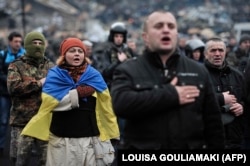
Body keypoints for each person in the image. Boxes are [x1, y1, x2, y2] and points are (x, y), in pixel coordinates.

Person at [110, 10, 225, 149]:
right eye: (158, 26)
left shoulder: (198, 71)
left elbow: (213, 124)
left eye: (171, 26)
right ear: (145, 37)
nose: (165, 30)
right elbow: (121, 105)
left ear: (176, 34)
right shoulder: (128, 70)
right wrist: (170, 95)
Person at [21, 37, 120, 166]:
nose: (77, 53)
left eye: (80, 51)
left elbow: (106, 107)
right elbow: (51, 103)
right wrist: (77, 93)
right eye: (72, 51)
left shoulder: (94, 76)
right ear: (64, 55)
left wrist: (112, 132)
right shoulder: (55, 75)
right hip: (61, 140)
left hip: (89, 138)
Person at [7, 31, 54, 165]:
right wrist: (39, 83)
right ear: (27, 45)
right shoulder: (16, 65)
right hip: (22, 122)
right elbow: (13, 88)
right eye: (34, 43)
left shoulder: (51, 66)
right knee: (19, 160)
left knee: (47, 160)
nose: (38, 46)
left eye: (40, 43)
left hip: (44, 122)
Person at [204, 37, 245, 149]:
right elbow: (193, 101)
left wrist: (241, 106)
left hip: (234, 138)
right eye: (213, 50)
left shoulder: (237, 75)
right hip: (208, 138)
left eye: (221, 50)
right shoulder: (199, 75)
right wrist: (220, 98)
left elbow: (245, 99)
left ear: (225, 52)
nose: (217, 54)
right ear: (206, 54)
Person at [0, 31, 25, 157]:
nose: (18, 44)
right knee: (3, 120)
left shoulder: (24, 55)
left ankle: (21, 148)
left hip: (20, 95)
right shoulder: (3, 55)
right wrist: (10, 81)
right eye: (16, 41)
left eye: (20, 42)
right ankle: (1, 146)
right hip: (5, 93)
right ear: (10, 42)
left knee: (21, 121)